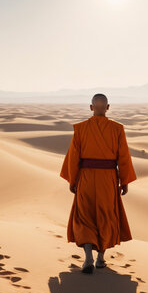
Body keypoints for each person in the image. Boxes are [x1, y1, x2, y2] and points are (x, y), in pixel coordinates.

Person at [59, 93, 137, 273]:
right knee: (105, 215)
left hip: (86, 178)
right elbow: (123, 157)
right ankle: (100, 258)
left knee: (85, 215)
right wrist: (124, 181)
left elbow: (73, 157)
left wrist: (73, 179)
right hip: (108, 179)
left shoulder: (81, 128)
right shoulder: (117, 129)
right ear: (108, 108)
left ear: (91, 107)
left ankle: (88, 258)